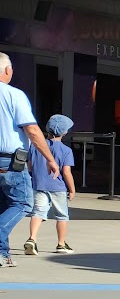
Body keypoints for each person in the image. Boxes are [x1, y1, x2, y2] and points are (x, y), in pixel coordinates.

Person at [0, 54, 58, 270]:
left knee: (3, 206)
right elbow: (32, 130)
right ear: (7, 71)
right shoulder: (14, 95)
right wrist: (50, 158)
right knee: (23, 203)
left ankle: (2, 254)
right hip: (10, 161)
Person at [22, 113, 77, 255]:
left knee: (38, 212)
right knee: (62, 215)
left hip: (39, 184)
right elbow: (66, 173)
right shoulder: (66, 150)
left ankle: (32, 239)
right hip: (58, 187)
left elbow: (29, 166)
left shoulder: (35, 147)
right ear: (65, 132)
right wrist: (72, 189)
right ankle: (61, 244)